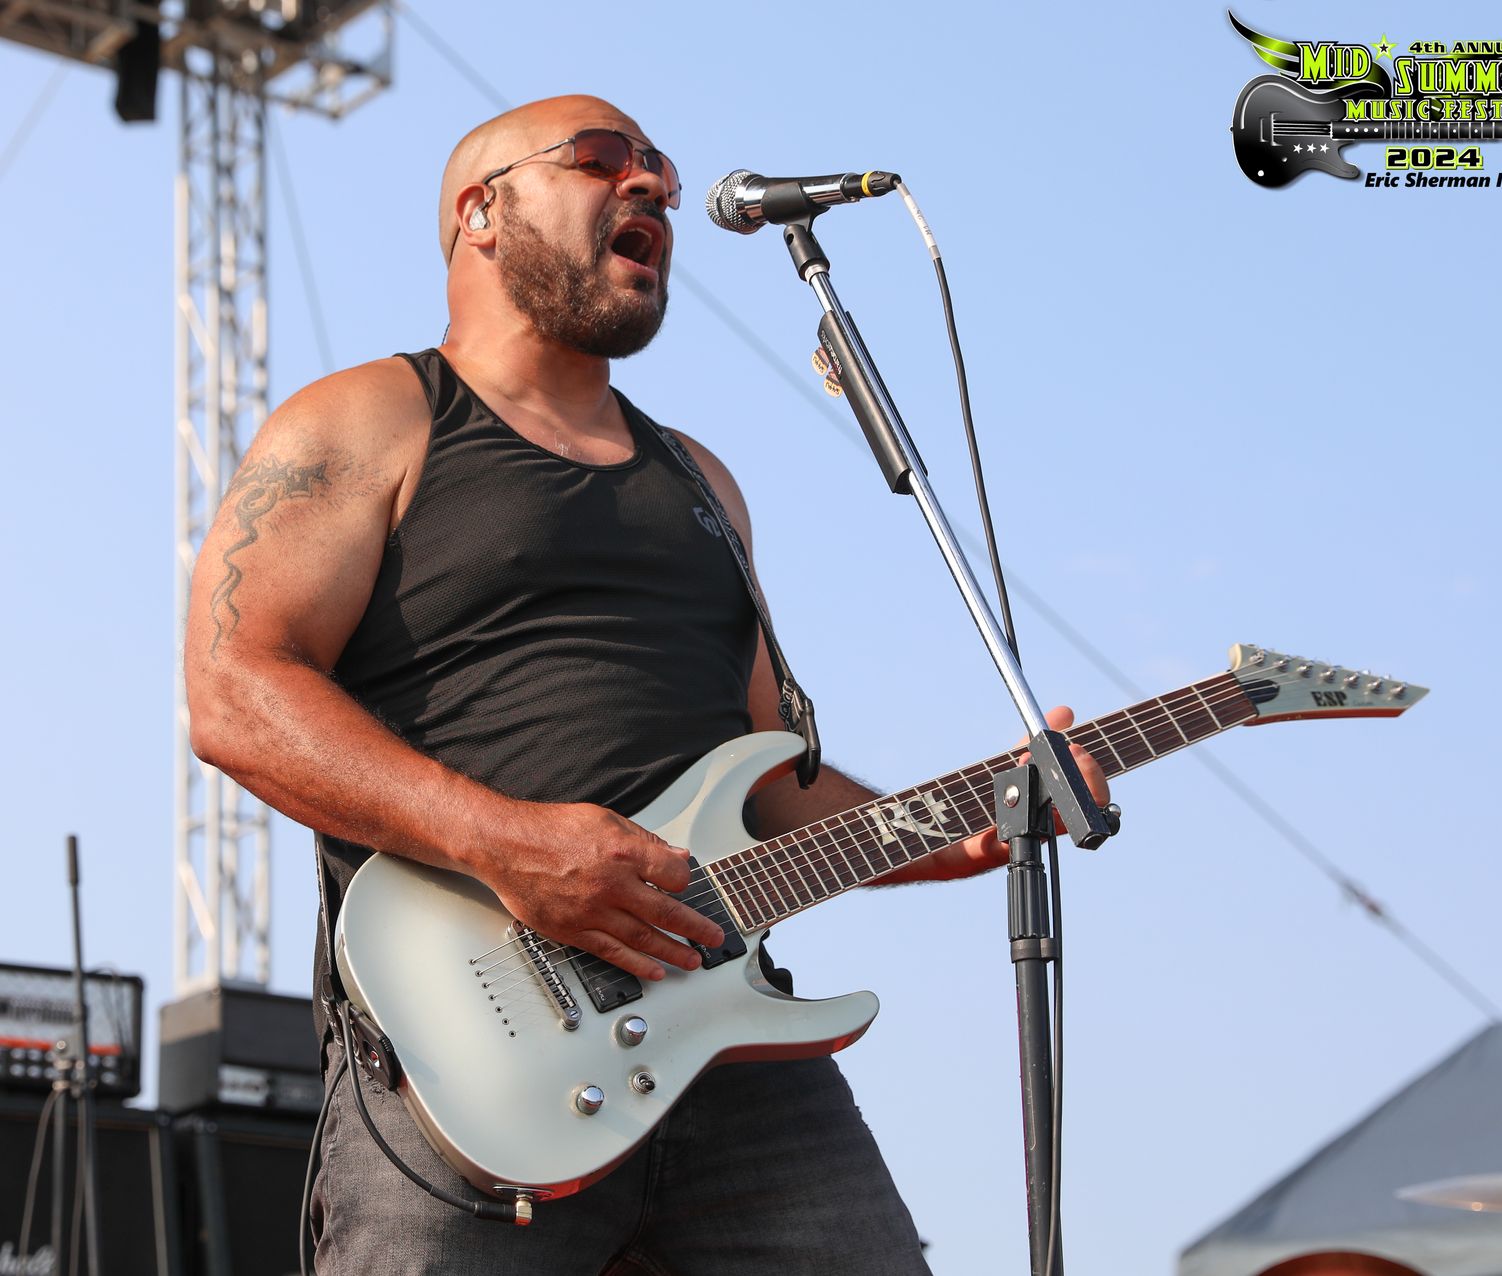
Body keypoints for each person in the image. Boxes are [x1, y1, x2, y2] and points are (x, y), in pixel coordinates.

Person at [183, 94, 1109, 1275]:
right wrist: (505, 842)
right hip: (465, 1069)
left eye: (660, 170)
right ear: (480, 211)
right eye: (601, 160)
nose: (653, 186)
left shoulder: (702, 482)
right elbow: (235, 691)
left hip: (735, 1055)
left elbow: (772, 788)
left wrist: (963, 831)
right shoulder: (371, 419)